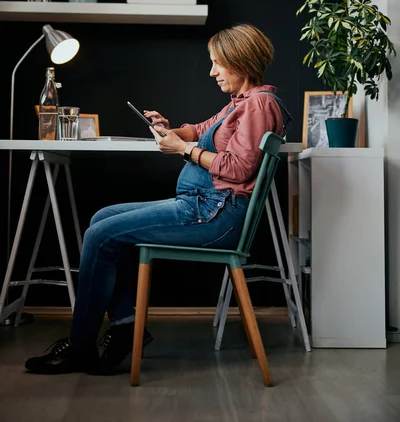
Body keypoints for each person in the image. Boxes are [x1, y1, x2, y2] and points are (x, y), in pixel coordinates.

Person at [24, 23, 290, 376]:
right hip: (204, 206)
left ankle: (82, 344)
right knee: (102, 218)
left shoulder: (258, 105)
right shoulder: (239, 104)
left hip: (215, 214)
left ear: (240, 61)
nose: (212, 72)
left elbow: (239, 169)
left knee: (99, 236)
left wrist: (185, 150)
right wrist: (170, 131)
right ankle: (124, 325)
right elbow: (196, 130)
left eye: (217, 63)